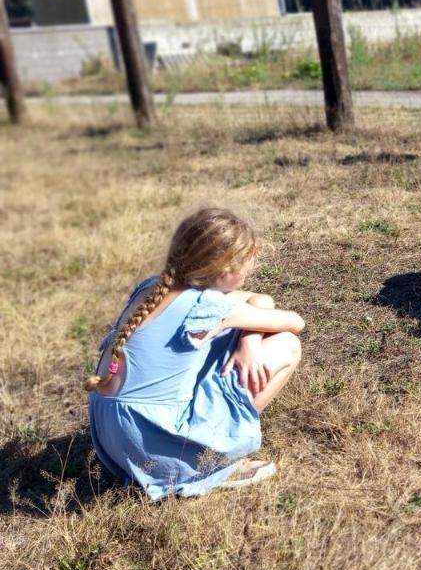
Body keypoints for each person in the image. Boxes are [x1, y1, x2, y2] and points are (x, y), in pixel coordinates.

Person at [84, 208, 304, 499]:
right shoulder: (207, 306)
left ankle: (195, 451)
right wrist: (248, 336)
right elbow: (294, 323)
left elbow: (260, 299)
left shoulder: (152, 288)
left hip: (113, 442)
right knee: (287, 345)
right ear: (225, 270)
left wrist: (248, 342)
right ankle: (214, 461)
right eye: (247, 264)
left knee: (232, 336)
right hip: (154, 446)